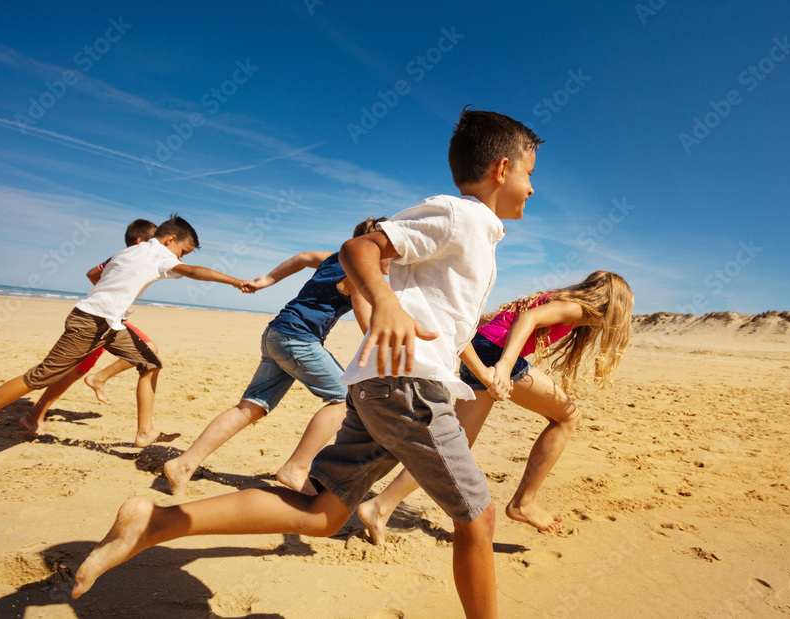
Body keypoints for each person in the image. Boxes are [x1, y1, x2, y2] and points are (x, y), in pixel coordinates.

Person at [72, 108, 542, 619]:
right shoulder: (460, 215)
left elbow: (447, 322)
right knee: (479, 517)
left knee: (321, 514)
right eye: (529, 174)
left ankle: (156, 524)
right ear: (500, 169)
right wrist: (383, 301)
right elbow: (358, 246)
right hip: (407, 387)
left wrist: (474, 370)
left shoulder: (478, 233)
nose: (532, 189)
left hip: (387, 386)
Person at [357, 270, 634, 544]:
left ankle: (380, 507)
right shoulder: (573, 308)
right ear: (615, 305)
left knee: (455, 447)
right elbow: (529, 317)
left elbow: (503, 319)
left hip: (482, 348)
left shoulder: (564, 302)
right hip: (494, 354)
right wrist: (503, 365)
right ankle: (524, 503)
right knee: (567, 418)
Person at [0, 215, 250, 448]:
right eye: (182, 251)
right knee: (40, 377)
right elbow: (194, 272)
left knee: (150, 362)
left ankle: (145, 432)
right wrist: (238, 282)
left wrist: (109, 291)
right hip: (90, 321)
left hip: (111, 324)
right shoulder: (160, 254)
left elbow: (94, 274)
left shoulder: (130, 251)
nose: (181, 258)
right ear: (170, 239)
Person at [163, 217, 387, 497]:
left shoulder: (333, 258)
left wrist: (267, 280)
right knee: (343, 398)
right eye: (393, 251)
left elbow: (303, 257)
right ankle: (295, 468)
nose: (398, 259)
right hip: (298, 339)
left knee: (252, 406)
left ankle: (184, 464)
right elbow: (369, 326)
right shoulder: (357, 275)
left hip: (276, 333)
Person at [19, 219, 163, 435]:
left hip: (112, 319)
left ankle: (35, 415)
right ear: (140, 242)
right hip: (101, 318)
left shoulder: (120, 259)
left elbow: (91, 274)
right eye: (153, 243)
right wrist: (109, 296)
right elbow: (92, 275)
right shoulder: (126, 258)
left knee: (76, 371)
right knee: (74, 370)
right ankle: (95, 380)